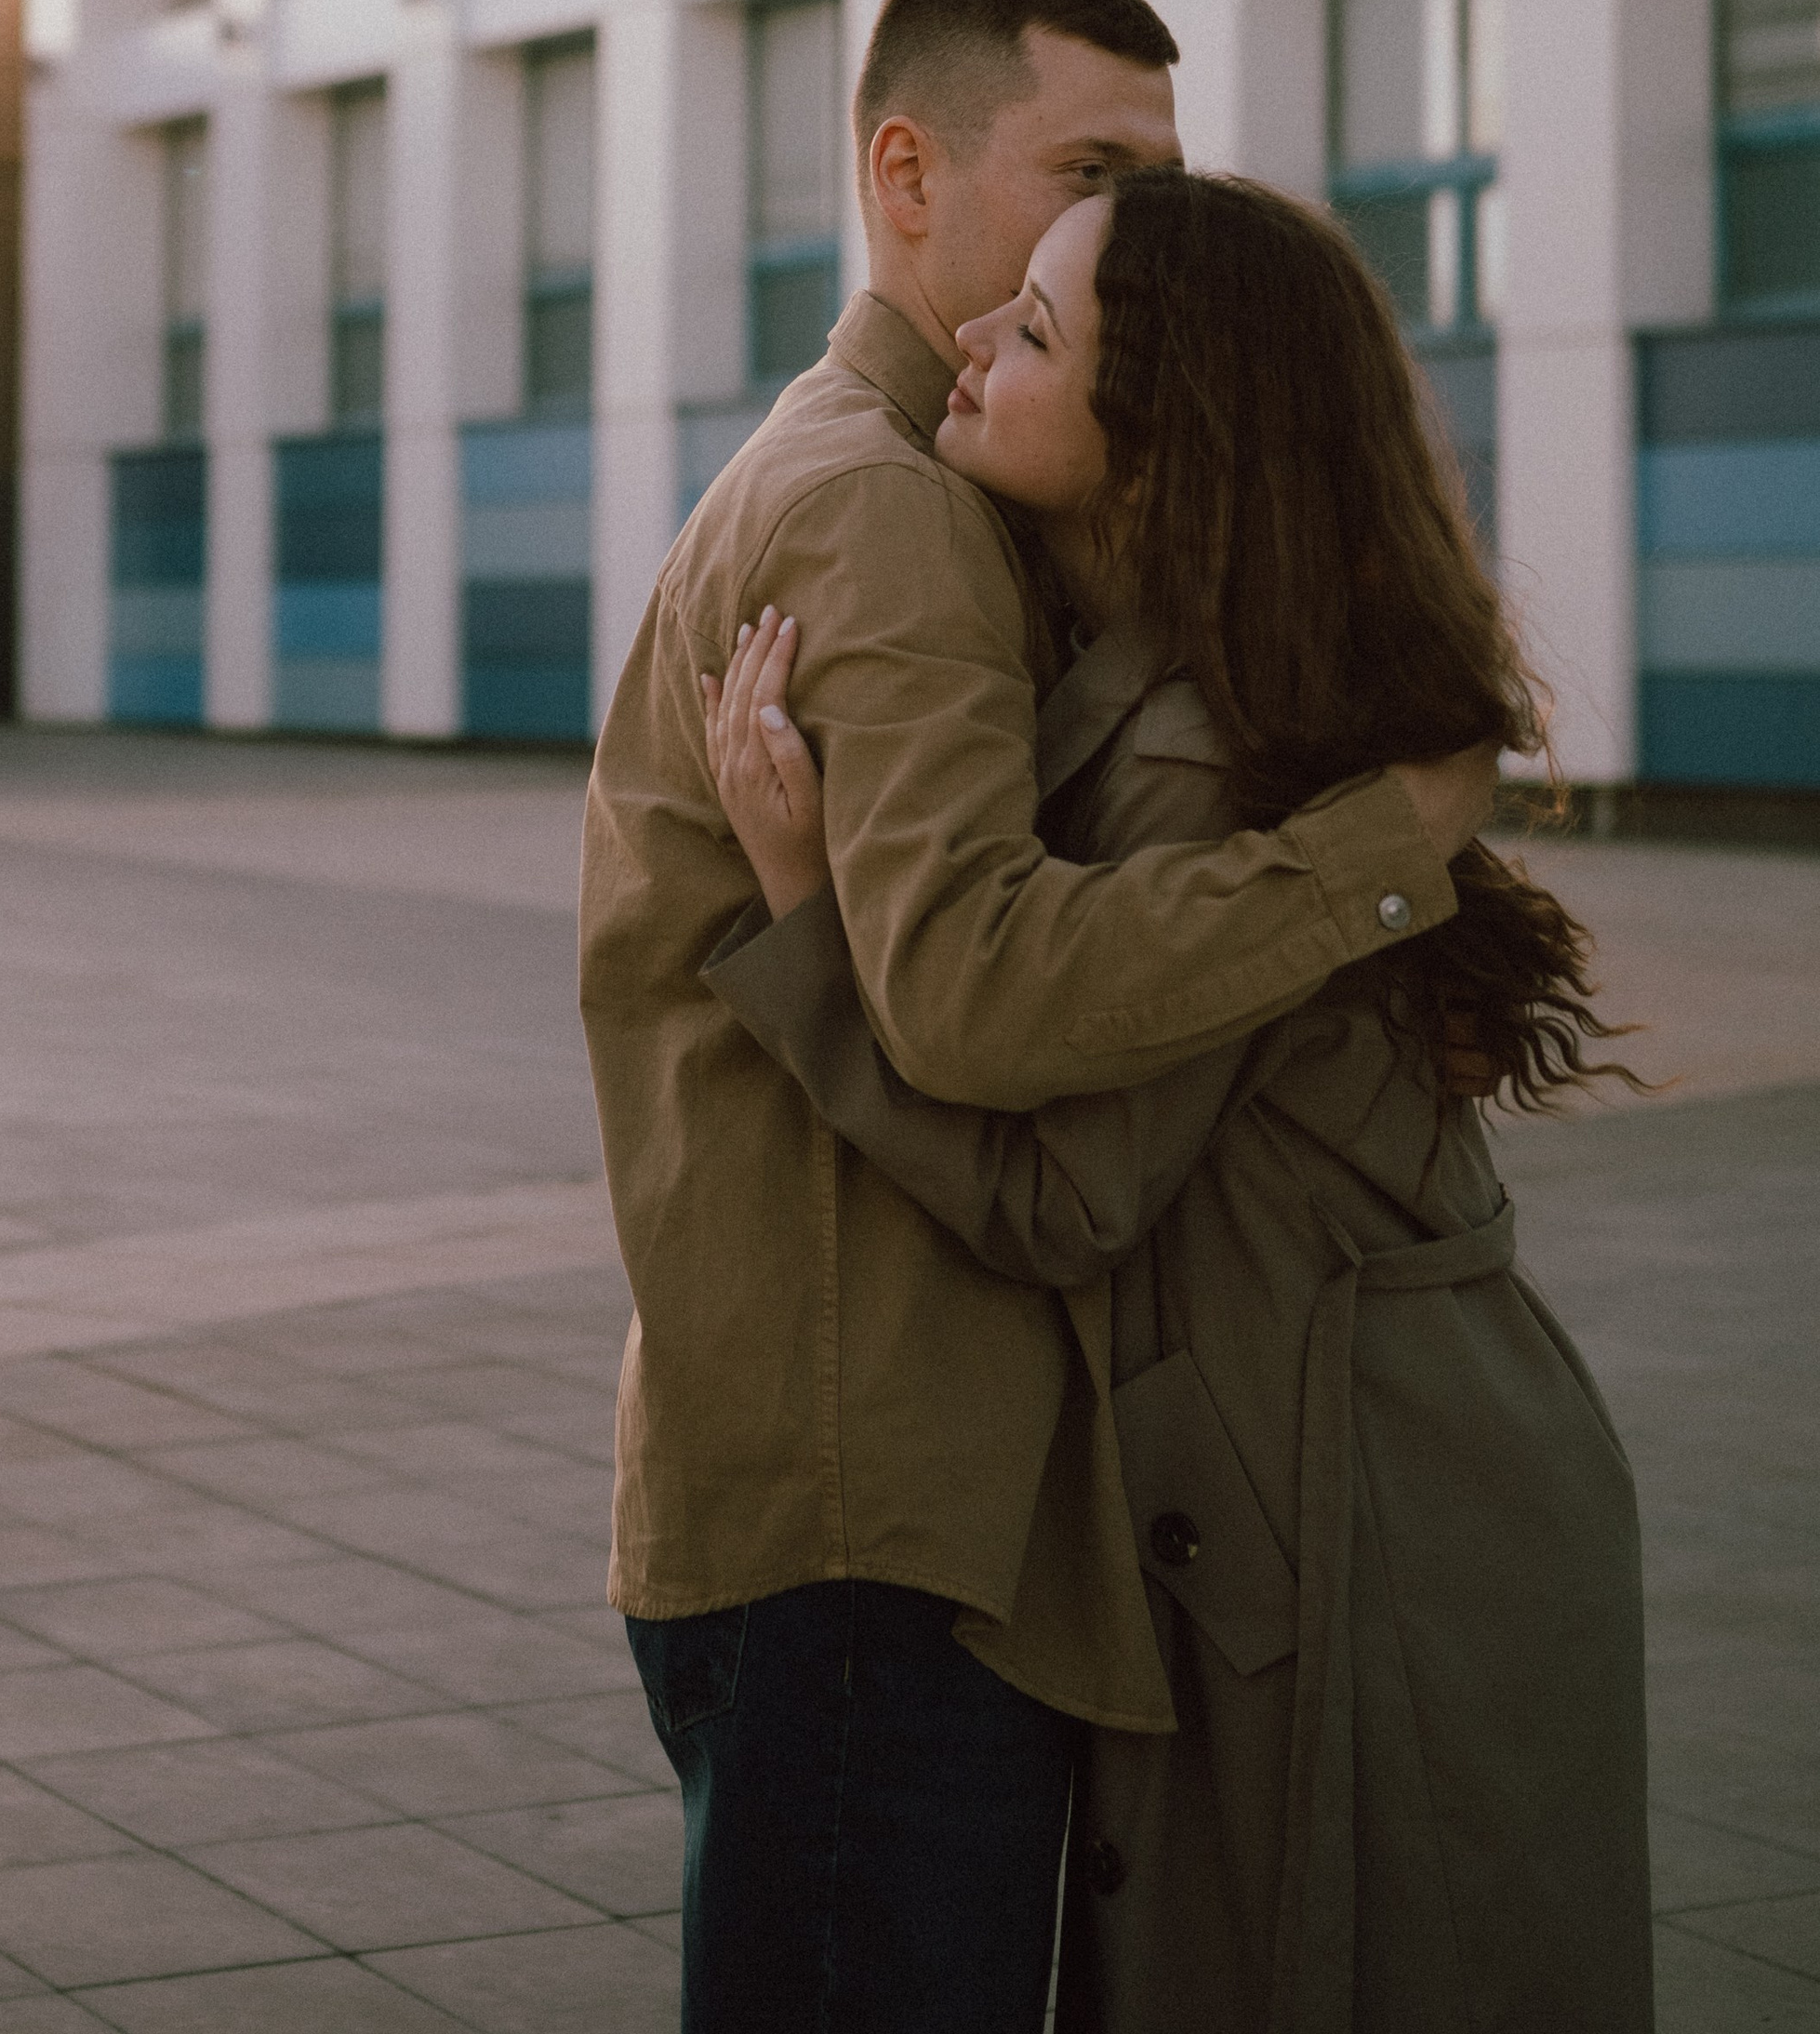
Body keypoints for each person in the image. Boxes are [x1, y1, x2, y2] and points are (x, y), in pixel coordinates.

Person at [579, 0, 1503, 2034]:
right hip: (873, 1513)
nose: (1125, 231)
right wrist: (1372, 850)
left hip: (866, 1492)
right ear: (905, 173)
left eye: (1150, 180)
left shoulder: (908, 490)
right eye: (1083, 173)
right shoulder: (881, 516)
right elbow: (978, 994)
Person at [701, 165, 1654, 2034]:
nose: (970, 337)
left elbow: (1057, 1197)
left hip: (1366, 1526)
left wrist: (811, 918)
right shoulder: (1193, 681)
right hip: (1385, 1477)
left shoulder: (1200, 746)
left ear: (1162, 440)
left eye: (1036, 331)